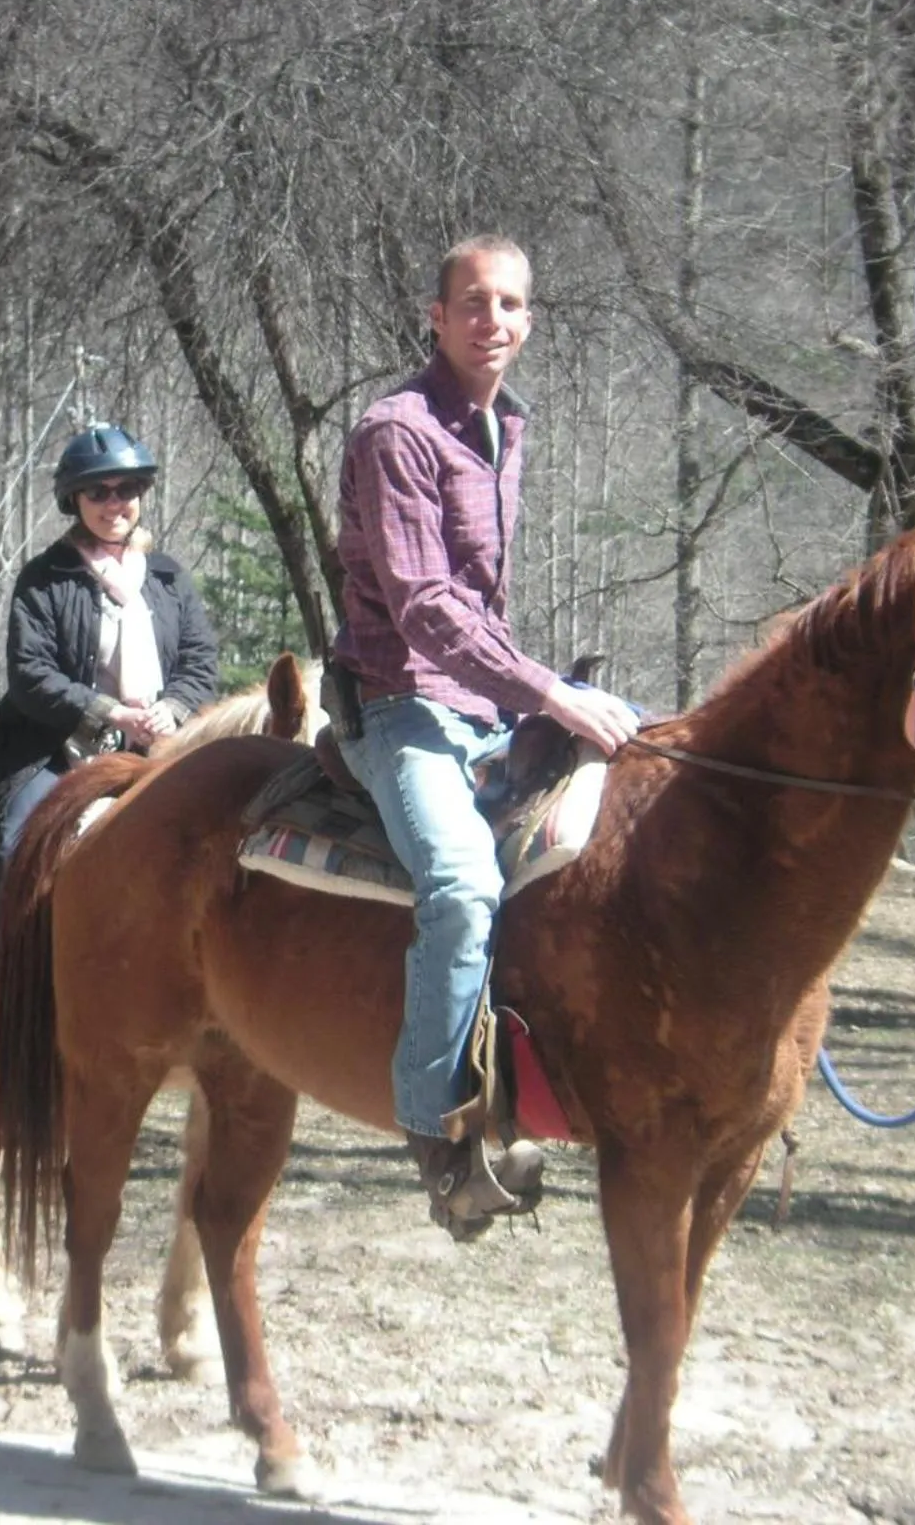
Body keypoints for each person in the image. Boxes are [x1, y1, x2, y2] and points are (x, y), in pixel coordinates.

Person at [330, 235, 639, 1240]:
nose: (490, 321)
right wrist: (547, 691)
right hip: (401, 703)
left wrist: (542, 703)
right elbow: (423, 609)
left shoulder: (509, 423)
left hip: (485, 704)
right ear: (434, 315)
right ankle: (434, 1127)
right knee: (461, 888)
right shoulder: (396, 432)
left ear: (527, 320)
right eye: (470, 302)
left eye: (508, 305)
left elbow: (483, 605)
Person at [0, 423, 219, 1008]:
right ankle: (3, 989)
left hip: (157, 747)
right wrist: (107, 712)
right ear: (73, 500)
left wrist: (174, 706)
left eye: (125, 489)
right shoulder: (44, 579)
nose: (114, 503)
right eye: (98, 492)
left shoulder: (168, 576)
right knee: (18, 845)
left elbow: (201, 659)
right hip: (51, 749)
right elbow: (31, 675)